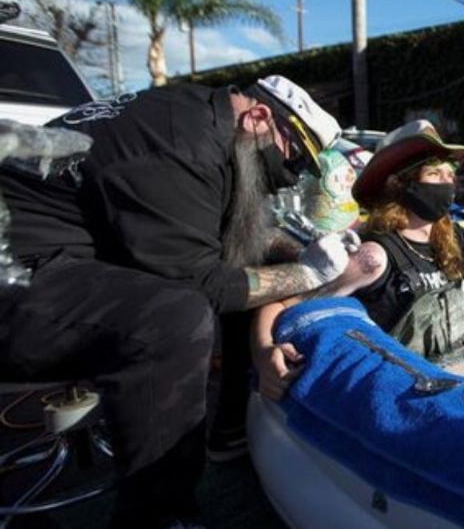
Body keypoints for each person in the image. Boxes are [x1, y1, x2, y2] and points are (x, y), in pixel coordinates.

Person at [0, 75, 355, 528]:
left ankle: (226, 433)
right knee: (172, 320)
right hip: (16, 271)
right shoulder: (179, 145)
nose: (292, 175)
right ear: (259, 117)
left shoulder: (196, 118)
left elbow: (219, 237)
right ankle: (159, 517)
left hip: (45, 253)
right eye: (294, 158)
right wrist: (308, 273)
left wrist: (297, 250)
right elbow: (204, 283)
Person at [252, 119, 464, 399]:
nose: (447, 184)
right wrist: (264, 352)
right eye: (434, 173)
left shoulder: (452, 238)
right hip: (406, 391)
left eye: (450, 174)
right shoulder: (373, 256)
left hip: (459, 373)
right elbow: (282, 303)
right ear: (400, 184)